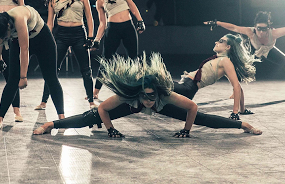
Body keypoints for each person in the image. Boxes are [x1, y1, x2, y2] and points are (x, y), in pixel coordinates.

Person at [33, 53, 262, 137]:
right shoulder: (129, 97)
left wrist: (186, 130)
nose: (149, 101)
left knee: (203, 119)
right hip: (129, 107)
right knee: (88, 118)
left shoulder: (165, 96)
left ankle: (244, 125)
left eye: (152, 97)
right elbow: (102, 109)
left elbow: (192, 109)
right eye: (146, 97)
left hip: (167, 108)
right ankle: (50, 125)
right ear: (139, 93)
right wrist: (111, 129)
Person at [0, 6, 65, 130]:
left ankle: (61, 118)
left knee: (51, 78)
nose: (4, 40)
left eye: (4, 37)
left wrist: (23, 76)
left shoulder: (19, 17)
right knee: (12, 80)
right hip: (18, 42)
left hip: (42, 39)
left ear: (8, 26)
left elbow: (25, 49)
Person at [205, 11, 285, 98]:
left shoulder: (274, 33)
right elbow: (234, 27)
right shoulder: (250, 32)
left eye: (264, 29)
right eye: (259, 29)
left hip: (268, 50)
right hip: (252, 49)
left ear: (269, 28)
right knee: (236, 65)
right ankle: (235, 92)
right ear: (255, 28)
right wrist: (217, 23)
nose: (261, 32)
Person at [34, 0, 97, 110]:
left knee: (86, 70)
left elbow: (89, 17)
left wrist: (91, 37)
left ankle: (91, 102)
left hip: (79, 34)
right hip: (61, 35)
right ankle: (43, 102)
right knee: (52, 69)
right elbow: (50, 23)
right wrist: (46, 40)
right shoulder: (53, 0)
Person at [82, 0, 145, 99]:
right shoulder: (99, 2)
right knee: (106, 60)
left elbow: (131, 4)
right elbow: (102, 23)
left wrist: (140, 20)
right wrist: (96, 40)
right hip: (113, 29)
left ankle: (137, 89)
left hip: (128, 27)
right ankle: (95, 92)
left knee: (133, 59)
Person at [175, 34, 257, 120]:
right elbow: (238, 87)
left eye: (221, 41)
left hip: (187, 87)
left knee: (160, 84)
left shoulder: (225, 61)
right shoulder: (219, 60)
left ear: (228, 47)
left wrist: (235, 112)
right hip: (185, 86)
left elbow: (236, 86)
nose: (216, 42)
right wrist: (242, 109)